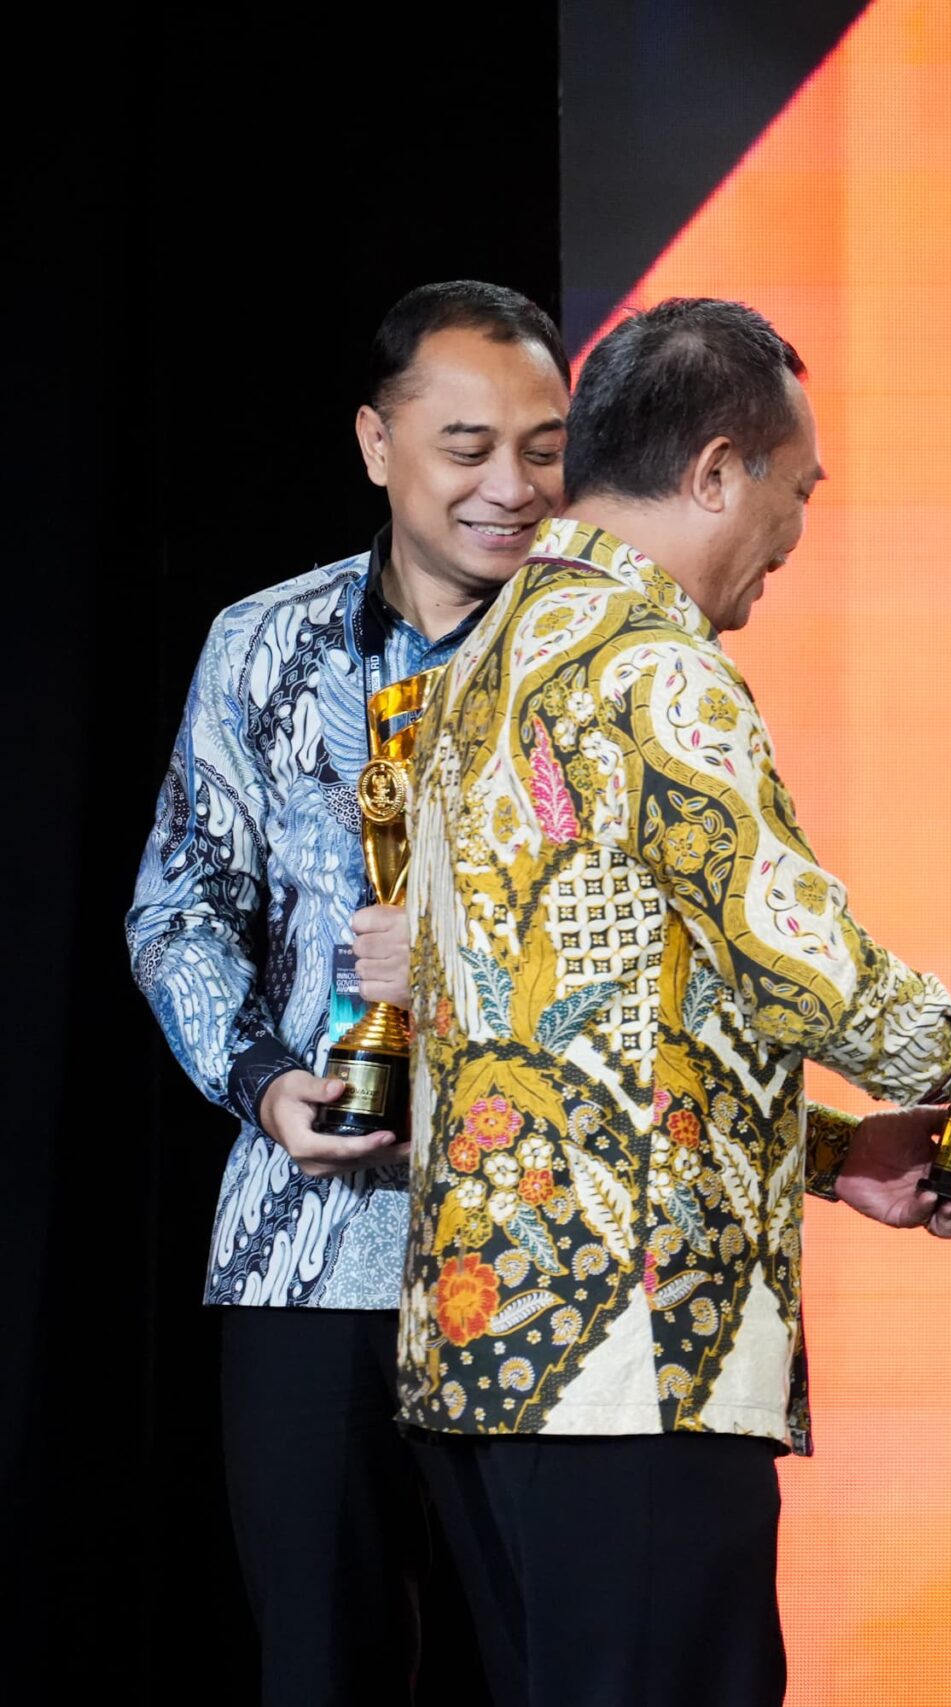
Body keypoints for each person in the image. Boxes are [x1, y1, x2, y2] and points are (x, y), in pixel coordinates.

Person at [394, 296, 951, 1707]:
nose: (800, 528)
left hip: (489, 1343)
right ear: (714, 471)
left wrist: (833, 1153)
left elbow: (564, 1025)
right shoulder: (654, 664)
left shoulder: (479, 665)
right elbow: (790, 954)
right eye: (796, 488)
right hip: (632, 1348)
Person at [128, 280, 568, 1706]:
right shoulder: (261, 644)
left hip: (547, 1242)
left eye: (545, 448)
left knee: (559, 1661)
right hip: (305, 1245)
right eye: (468, 447)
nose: (512, 486)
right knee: (322, 1663)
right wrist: (265, 1083)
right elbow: (180, 908)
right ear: (378, 443)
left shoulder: (607, 661)